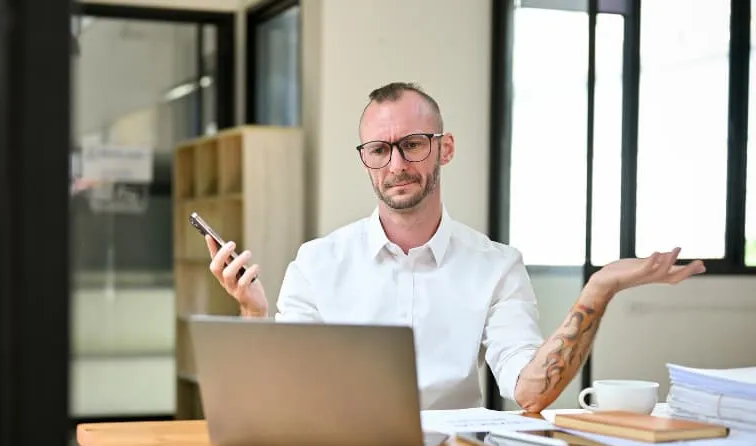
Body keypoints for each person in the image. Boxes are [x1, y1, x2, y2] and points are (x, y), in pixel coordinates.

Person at [204, 82, 706, 413]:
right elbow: (285, 396)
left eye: (413, 144)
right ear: (366, 160)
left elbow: (530, 394)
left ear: (444, 148)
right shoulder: (317, 262)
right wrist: (255, 313)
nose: (396, 164)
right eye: (379, 149)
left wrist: (599, 288)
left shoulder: (496, 265)